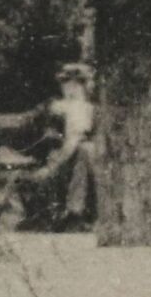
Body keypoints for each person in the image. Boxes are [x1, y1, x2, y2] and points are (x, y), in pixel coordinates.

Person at [25, 61, 100, 232]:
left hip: (81, 162)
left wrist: (51, 167)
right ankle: (65, 213)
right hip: (65, 160)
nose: (67, 88)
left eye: (71, 83)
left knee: (84, 151)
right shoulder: (56, 107)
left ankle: (75, 212)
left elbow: (73, 142)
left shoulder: (81, 108)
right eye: (65, 83)